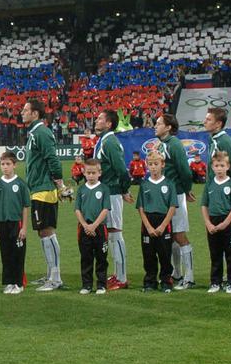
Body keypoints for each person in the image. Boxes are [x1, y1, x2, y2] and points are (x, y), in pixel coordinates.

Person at [22, 99, 70, 292]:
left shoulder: (41, 132)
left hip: (44, 189)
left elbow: (52, 158)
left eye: (25, 109)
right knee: (42, 231)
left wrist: (59, 183)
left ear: (35, 114)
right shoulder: (35, 132)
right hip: (37, 188)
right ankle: (50, 273)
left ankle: (56, 277)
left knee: (46, 231)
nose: (22, 112)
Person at [204, 107, 231, 289]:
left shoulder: (226, 141)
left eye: (208, 119)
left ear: (218, 123)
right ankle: (220, 279)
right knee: (218, 244)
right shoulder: (213, 139)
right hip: (215, 194)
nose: (205, 121)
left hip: (228, 196)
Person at [153, 114, 196, 290]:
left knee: (179, 235)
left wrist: (186, 190)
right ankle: (176, 273)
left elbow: (184, 170)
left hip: (176, 195)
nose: (155, 126)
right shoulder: (163, 144)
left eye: (158, 123)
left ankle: (189, 276)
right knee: (170, 237)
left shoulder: (175, 144)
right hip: (165, 196)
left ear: (169, 127)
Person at [93, 110, 133, 291]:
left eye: (100, 118)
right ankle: (118, 274)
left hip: (112, 193)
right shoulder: (104, 141)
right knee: (110, 233)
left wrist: (124, 189)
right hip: (106, 192)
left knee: (115, 232)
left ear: (109, 124)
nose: (96, 120)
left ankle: (122, 277)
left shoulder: (110, 142)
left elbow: (121, 169)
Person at [200, 152, 231, 294]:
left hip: (228, 222)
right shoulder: (209, 185)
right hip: (213, 221)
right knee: (215, 254)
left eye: (222, 165)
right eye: (216, 166)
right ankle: (215, 282)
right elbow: (204, 205)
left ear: (227, 166)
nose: (219, 168)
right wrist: (208, 223)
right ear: (212, 167)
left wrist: (225, 223)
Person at [136, 151, 176, 293]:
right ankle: (150, 282)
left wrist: (163, 226)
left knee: (165, 254)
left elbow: (172, 207)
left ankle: (166, 281)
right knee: (149, 255)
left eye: (156, 164)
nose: (153, 167)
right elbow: (140, 207)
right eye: (150, 164)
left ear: (162, 165)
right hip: (148, 222)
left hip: (163, 222)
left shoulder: (169, 184)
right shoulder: (144, 184)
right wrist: (148, 226)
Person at [0, 151, 29, 295]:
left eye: (8, 164)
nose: (5, 167)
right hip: (1, 223)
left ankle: (18, 282)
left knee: (17, 253)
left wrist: (24, 227)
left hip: (16, 223)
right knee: (5, 254)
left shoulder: (20, 184)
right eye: (2, 164)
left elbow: (25, 207)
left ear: (14, 165)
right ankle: (8, 282)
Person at [74, 159, 110, 295]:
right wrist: (85, 225)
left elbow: (106, 209)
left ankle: (101, 285)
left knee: (101, 258)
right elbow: (77, 209)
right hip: (84, 228)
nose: (90, 175)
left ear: (99, 173)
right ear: (84, 173)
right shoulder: (82, 189)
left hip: (100, 228)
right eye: (88, 173)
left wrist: (94, 226)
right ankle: (87, 285)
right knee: (86, 257)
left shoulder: (104, 189)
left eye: (93, 173)